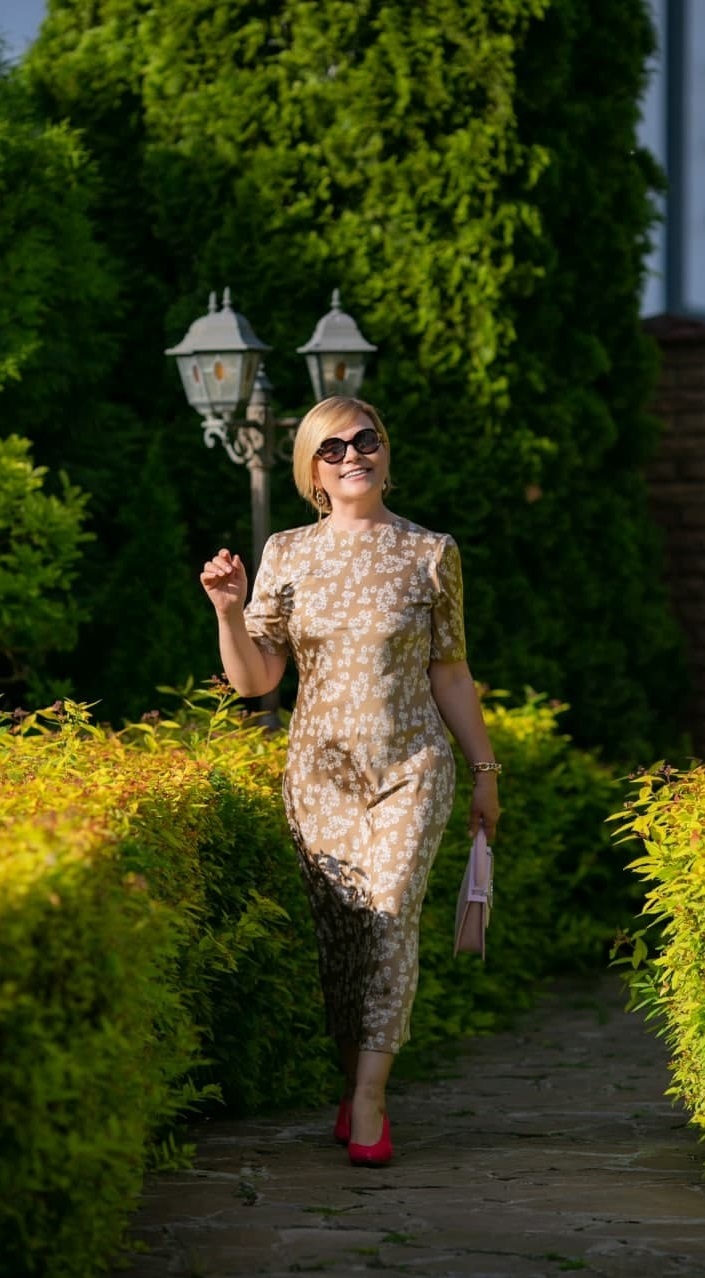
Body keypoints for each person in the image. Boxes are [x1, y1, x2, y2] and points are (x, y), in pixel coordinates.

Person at [200, 395, 500, 1168]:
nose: (352, 455)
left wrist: (483, 771)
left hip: (412, 768)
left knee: (390, 916)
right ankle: (352, 1082)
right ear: (312, 471)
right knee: (344, 942)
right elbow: (256, 680)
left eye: (365, 440)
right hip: (319, 779)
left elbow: (450, 673)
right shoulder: (286, 554)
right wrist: (229, 613)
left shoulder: (430, 552)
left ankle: (370, 1099)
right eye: (331, 448)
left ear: (385, 452)